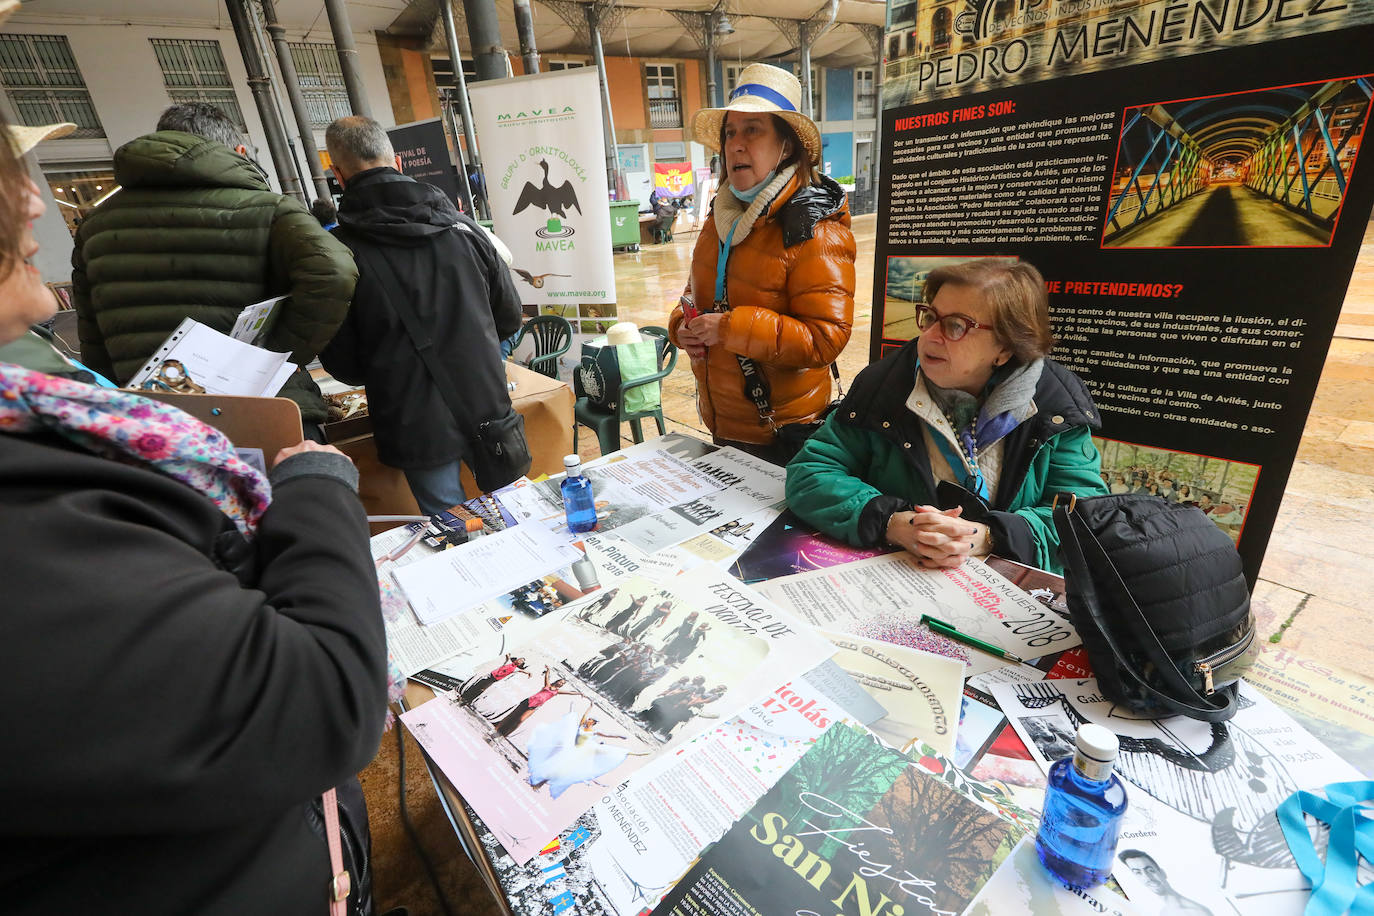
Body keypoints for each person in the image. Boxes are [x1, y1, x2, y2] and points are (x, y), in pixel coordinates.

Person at [0, 107, 388, 912]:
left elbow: (101, 348)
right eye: (8, 175)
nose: (34, 200)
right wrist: (287, 365)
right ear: (234, 146)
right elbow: (319, 697)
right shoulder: (268, 205)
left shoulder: (98, 231)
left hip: (165, 442)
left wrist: (133, 415)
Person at [786, 260, 1110, 574]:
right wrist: (893, 522)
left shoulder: (1056, 407)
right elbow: (811, 472)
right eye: (930, 317)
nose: (929, 336)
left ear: (1006, 348)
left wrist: (987, 537)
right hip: (896, 578)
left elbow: (1082, 517)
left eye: (956, 325)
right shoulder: (884, 387)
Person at [71, 102, 357, 433]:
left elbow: (91, 337)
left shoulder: (95, 226)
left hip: (160, 422)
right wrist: (279, 355)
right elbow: (335, 270)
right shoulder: (270, 210)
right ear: (238, 152)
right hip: (266, 409)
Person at [319, 116, 522, 514]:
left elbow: (344, 360)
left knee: (452, 525)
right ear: (396, 162)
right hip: (485, 400)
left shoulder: (337, 253)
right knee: (517, 512)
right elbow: (509, 317)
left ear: (338, 175)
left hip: (409, 416)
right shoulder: (464, 230)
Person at [669, 62, 856, 465]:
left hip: (785, 436)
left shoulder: (814, 228)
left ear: (786, 146)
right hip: (723, 426)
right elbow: (693, 296)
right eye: (730, 132)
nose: (736, 144)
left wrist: (731, 328)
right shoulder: (718, 219)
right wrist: (680, 327)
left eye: (752, 130)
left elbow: (826, 339)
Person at [524, 710, 646, 799]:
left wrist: (619, 736)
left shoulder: (594, 732)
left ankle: (536, 784)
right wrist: (589, 707)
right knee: (551, 767)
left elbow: (608, 734)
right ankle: (535, 782)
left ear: (593, 722)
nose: (588, 720)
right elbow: (583, 717)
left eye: (590, 719)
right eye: (588, 719)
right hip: (569, 751)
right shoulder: (581, 727)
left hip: (576, 754)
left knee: (556, 771)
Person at [1118, 850, 1214, 915]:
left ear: (1163, 873)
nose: (1148, 877)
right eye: (1138, 873)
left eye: (1150, 870)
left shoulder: (1194, 912)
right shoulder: (1164, 911)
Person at [493, 668, 580, 738]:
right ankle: (496, 729)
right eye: (561, 682)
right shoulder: (547, 686)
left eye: (563, 684)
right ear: (557, 681)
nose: (561, 684)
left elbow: (570, 692)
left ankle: (503, 735)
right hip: (528, 701)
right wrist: (548, 671)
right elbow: (546, 677)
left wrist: (579, 693)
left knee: (520, 720)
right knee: (512, 715)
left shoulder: (557, 692)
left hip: (534, 707)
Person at [460, 654, 529, 705]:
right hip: (490, 675)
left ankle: (468, 700)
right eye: (520, 659)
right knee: (477, 685)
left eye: (521, 661)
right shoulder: (509, 662)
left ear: (521, 664)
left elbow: (522, 671)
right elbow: (507, 656)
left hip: (494, 680)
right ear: (517, 659)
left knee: (481, 689)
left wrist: (529, 673)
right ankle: (464, 696)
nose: (520, 661)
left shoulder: (515, 669)